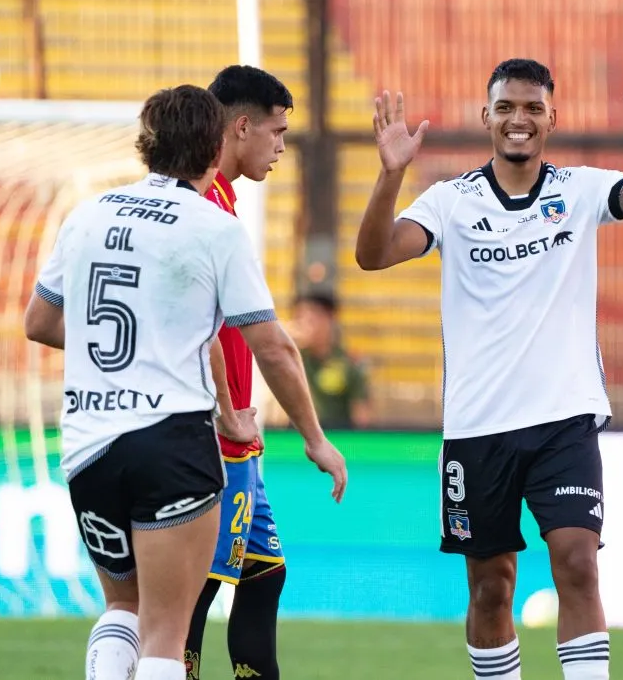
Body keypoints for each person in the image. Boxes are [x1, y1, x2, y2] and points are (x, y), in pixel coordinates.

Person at [354, 58, 623, 680]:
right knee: (491, 587)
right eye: (507, 108)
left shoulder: (583, 191)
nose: (519, 120)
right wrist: (390, 176)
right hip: (478, 428)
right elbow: (373, 255)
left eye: (533, 108)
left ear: (551, 119)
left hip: (564, 420)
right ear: (487, 117)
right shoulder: (451, 202)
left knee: (577, 562)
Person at [24, 83, 347, 680]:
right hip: (171, 440)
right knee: (166, 638)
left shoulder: (88, 213)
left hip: (89, 446)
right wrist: (314, 438)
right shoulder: (215, 226)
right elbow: (272, 346)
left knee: (123, 609)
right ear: (216, 141)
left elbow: (39, 323)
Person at [181, 64, 300, 680]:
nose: (281, 147)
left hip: (236, 436)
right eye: (276, 132)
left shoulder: (220, 199)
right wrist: (226, 411)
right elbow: (199, 328)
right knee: (197, 586)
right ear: (243, 125)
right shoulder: (204, 204)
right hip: (215, 435)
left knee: (262, 573)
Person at [292, 291, 372, 429]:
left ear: (328, 319)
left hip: (340, 439)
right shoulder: (293, 359)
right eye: (298, 320)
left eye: (310, 320)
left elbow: (361, 415)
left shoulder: (350, 362)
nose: (302, 327)